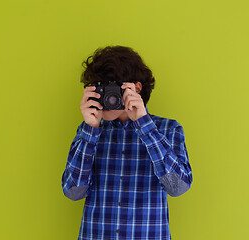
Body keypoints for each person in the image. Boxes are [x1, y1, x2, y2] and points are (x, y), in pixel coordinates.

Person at [61, 45, 193, 240]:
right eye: (97, 88)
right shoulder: (88, 130)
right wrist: (90, 130)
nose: (101, 97)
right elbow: (73, 192)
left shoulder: (168, 129)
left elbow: (178, 188)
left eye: (108, 88)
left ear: (135, 88)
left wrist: (144, 125)